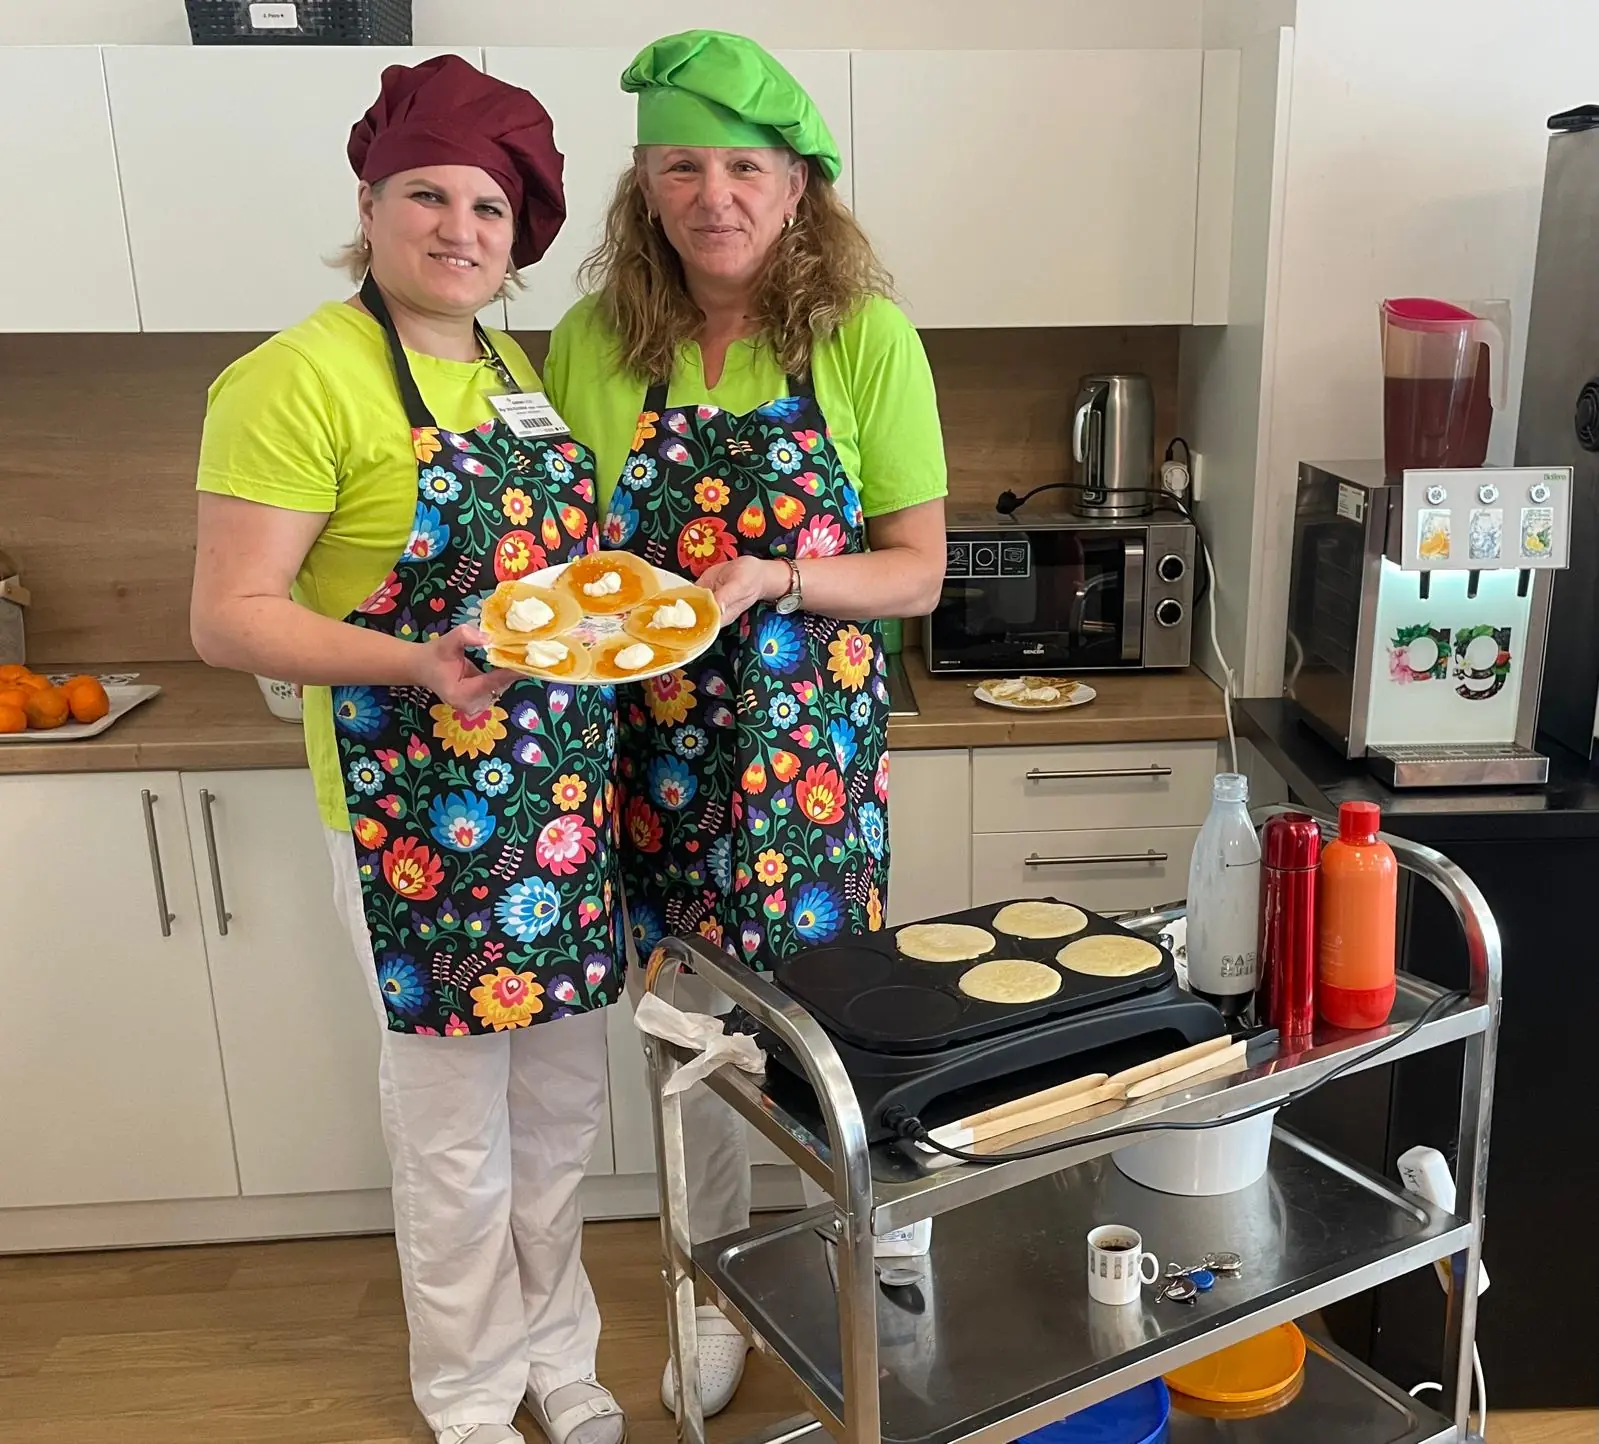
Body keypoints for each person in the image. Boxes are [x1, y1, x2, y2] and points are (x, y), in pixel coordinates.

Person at [189, 54, 628, 1444]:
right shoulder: (294, 378)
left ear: (517, 239)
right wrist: (418, 662)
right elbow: (229, 615)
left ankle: (562, 1355)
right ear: (369, 207)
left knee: (560, 1115)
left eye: (488, 207)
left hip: (559, 803)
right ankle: (474, 1391)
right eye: (426, 195)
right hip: (414, 816)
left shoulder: (509, 368)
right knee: (453, 1138)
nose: (458, 229)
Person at [544, 29, 948, 1418]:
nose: (712, 195)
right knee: (682, 1044)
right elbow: (571, 553)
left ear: (796, 186)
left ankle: (882, 1254)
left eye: (743, 168)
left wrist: (776, 578)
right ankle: (707, 1290)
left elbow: (915, 571)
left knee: (828, 1031)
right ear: (645, 190)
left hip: (804, 763)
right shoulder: (596, 344)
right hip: (651, 752)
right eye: (680, 168)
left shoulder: (863, 339)